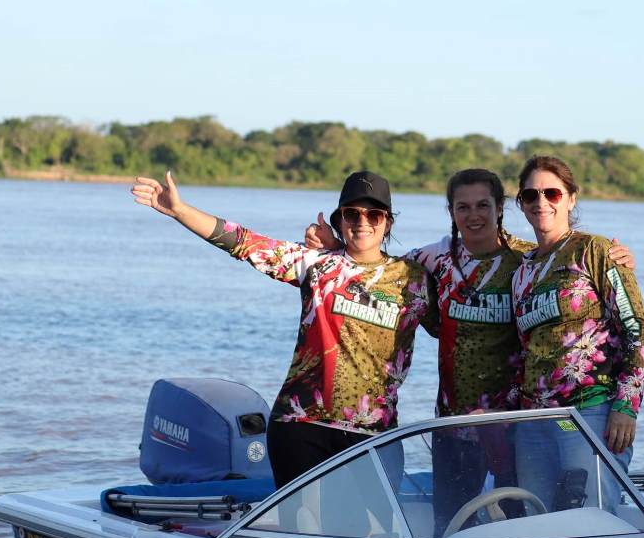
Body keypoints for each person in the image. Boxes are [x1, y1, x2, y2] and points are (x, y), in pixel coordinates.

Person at [305, 168, 635, 535]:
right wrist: (336, 249)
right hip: (454, 424)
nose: (473, 215)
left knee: (526, 523)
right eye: (463, 207)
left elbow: (615, 316)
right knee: (449, 527)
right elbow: (378, 268)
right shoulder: (433, 259)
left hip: (515, 424)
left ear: (500, 209)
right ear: (451, 212)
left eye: (483, 205)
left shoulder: (527, 262)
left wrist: (613, 260)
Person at [131, 170, 436, 489]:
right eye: (352, 213)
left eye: (373, 214)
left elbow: (451, 329)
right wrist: (180, 210)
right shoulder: (316, 265)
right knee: (304, 534)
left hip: (376, 431)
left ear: (387, 222)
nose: (363, 222)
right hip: (301, 425)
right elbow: (245, 243)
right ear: (340, 220)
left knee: (378, 535)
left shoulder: (413, 279)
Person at [511, 155, 644, 512]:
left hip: (591, 412)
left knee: (592, 517)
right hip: (533, 421)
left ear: (571, 198)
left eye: (552, 193)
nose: (541, 202)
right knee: (537, 521)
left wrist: (625, 407)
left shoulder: (596, 251)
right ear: (522, 205)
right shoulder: (523, 269)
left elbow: (637, 328)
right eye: (531, 196)